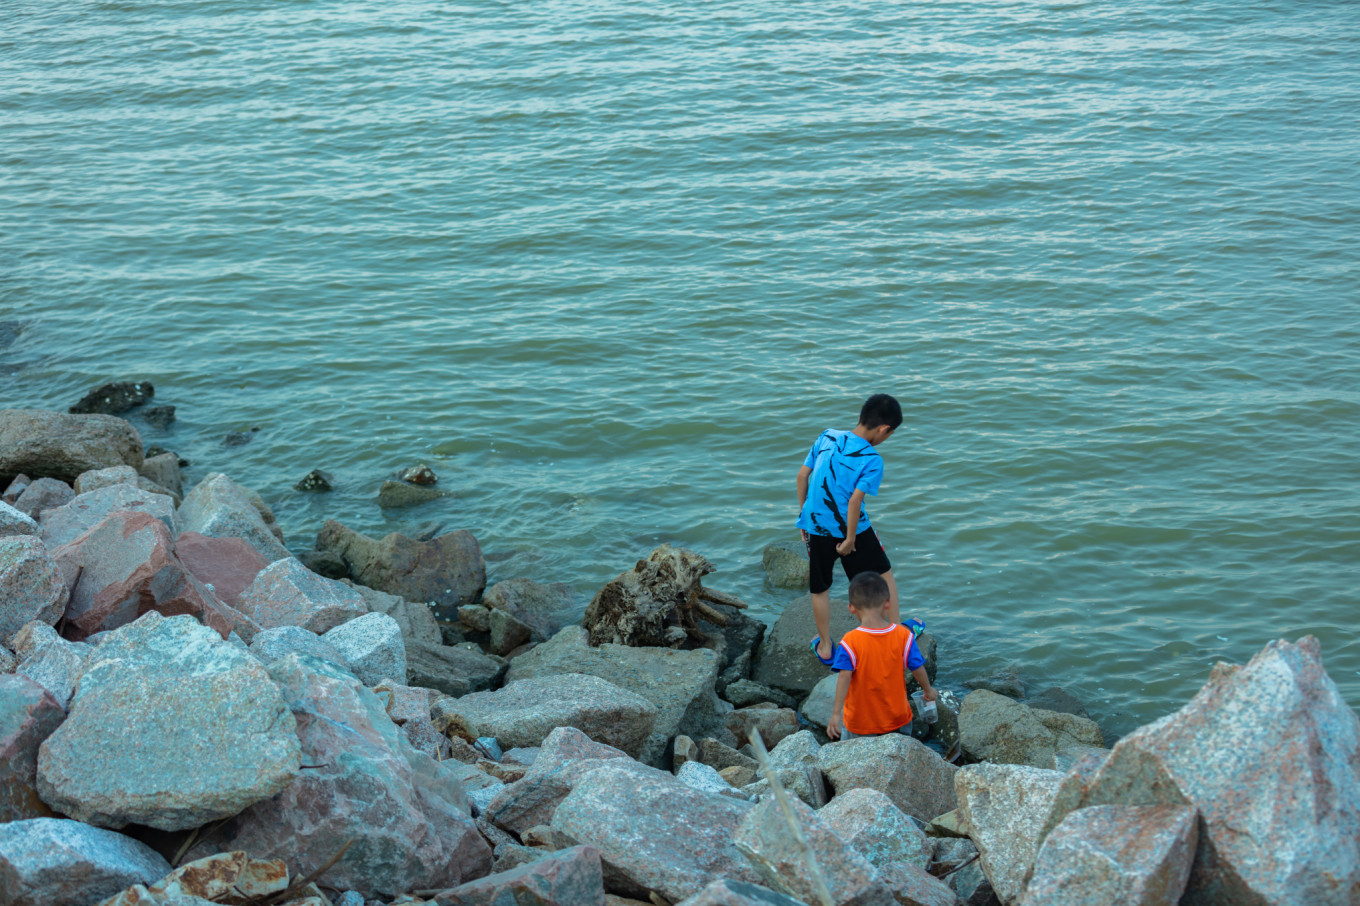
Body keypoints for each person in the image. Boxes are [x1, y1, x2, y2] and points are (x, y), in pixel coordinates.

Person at [796, 392, 902, 662]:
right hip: (851, 529)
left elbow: (802, 475)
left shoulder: (827, 436)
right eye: (888, 436)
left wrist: (804, 519)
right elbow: (854, 502)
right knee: (883, 576)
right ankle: (896, 634)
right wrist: (851, 539)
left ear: (861, 416)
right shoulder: (872, 458)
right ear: (884, 429)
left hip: (815, 525)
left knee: (820, 589)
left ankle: (825, 647)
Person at [826, 571, 937, 740]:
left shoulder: (849, 642)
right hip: (897, 719)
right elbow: (917, 667)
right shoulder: (903, 636)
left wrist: (835, 714)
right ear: (887, 604)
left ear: (851, 607)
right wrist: (928, 690)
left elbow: (844, 677)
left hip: (860, 723)